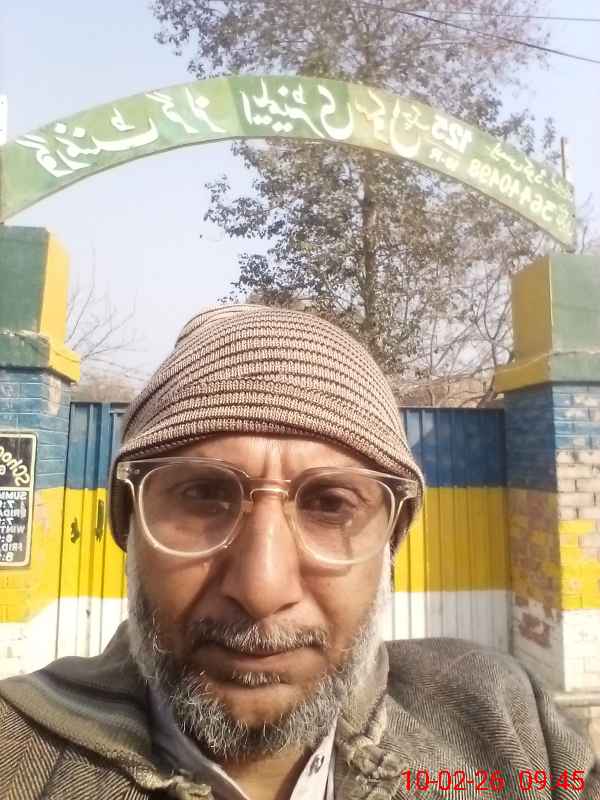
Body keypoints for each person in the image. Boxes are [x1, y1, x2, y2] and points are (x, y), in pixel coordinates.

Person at [0, 304, 598, 800]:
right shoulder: (19, 752)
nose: (261, 589)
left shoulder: (507, 730)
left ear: (390, 543)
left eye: (331, 504)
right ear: (129, 525)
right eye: (203, 495)